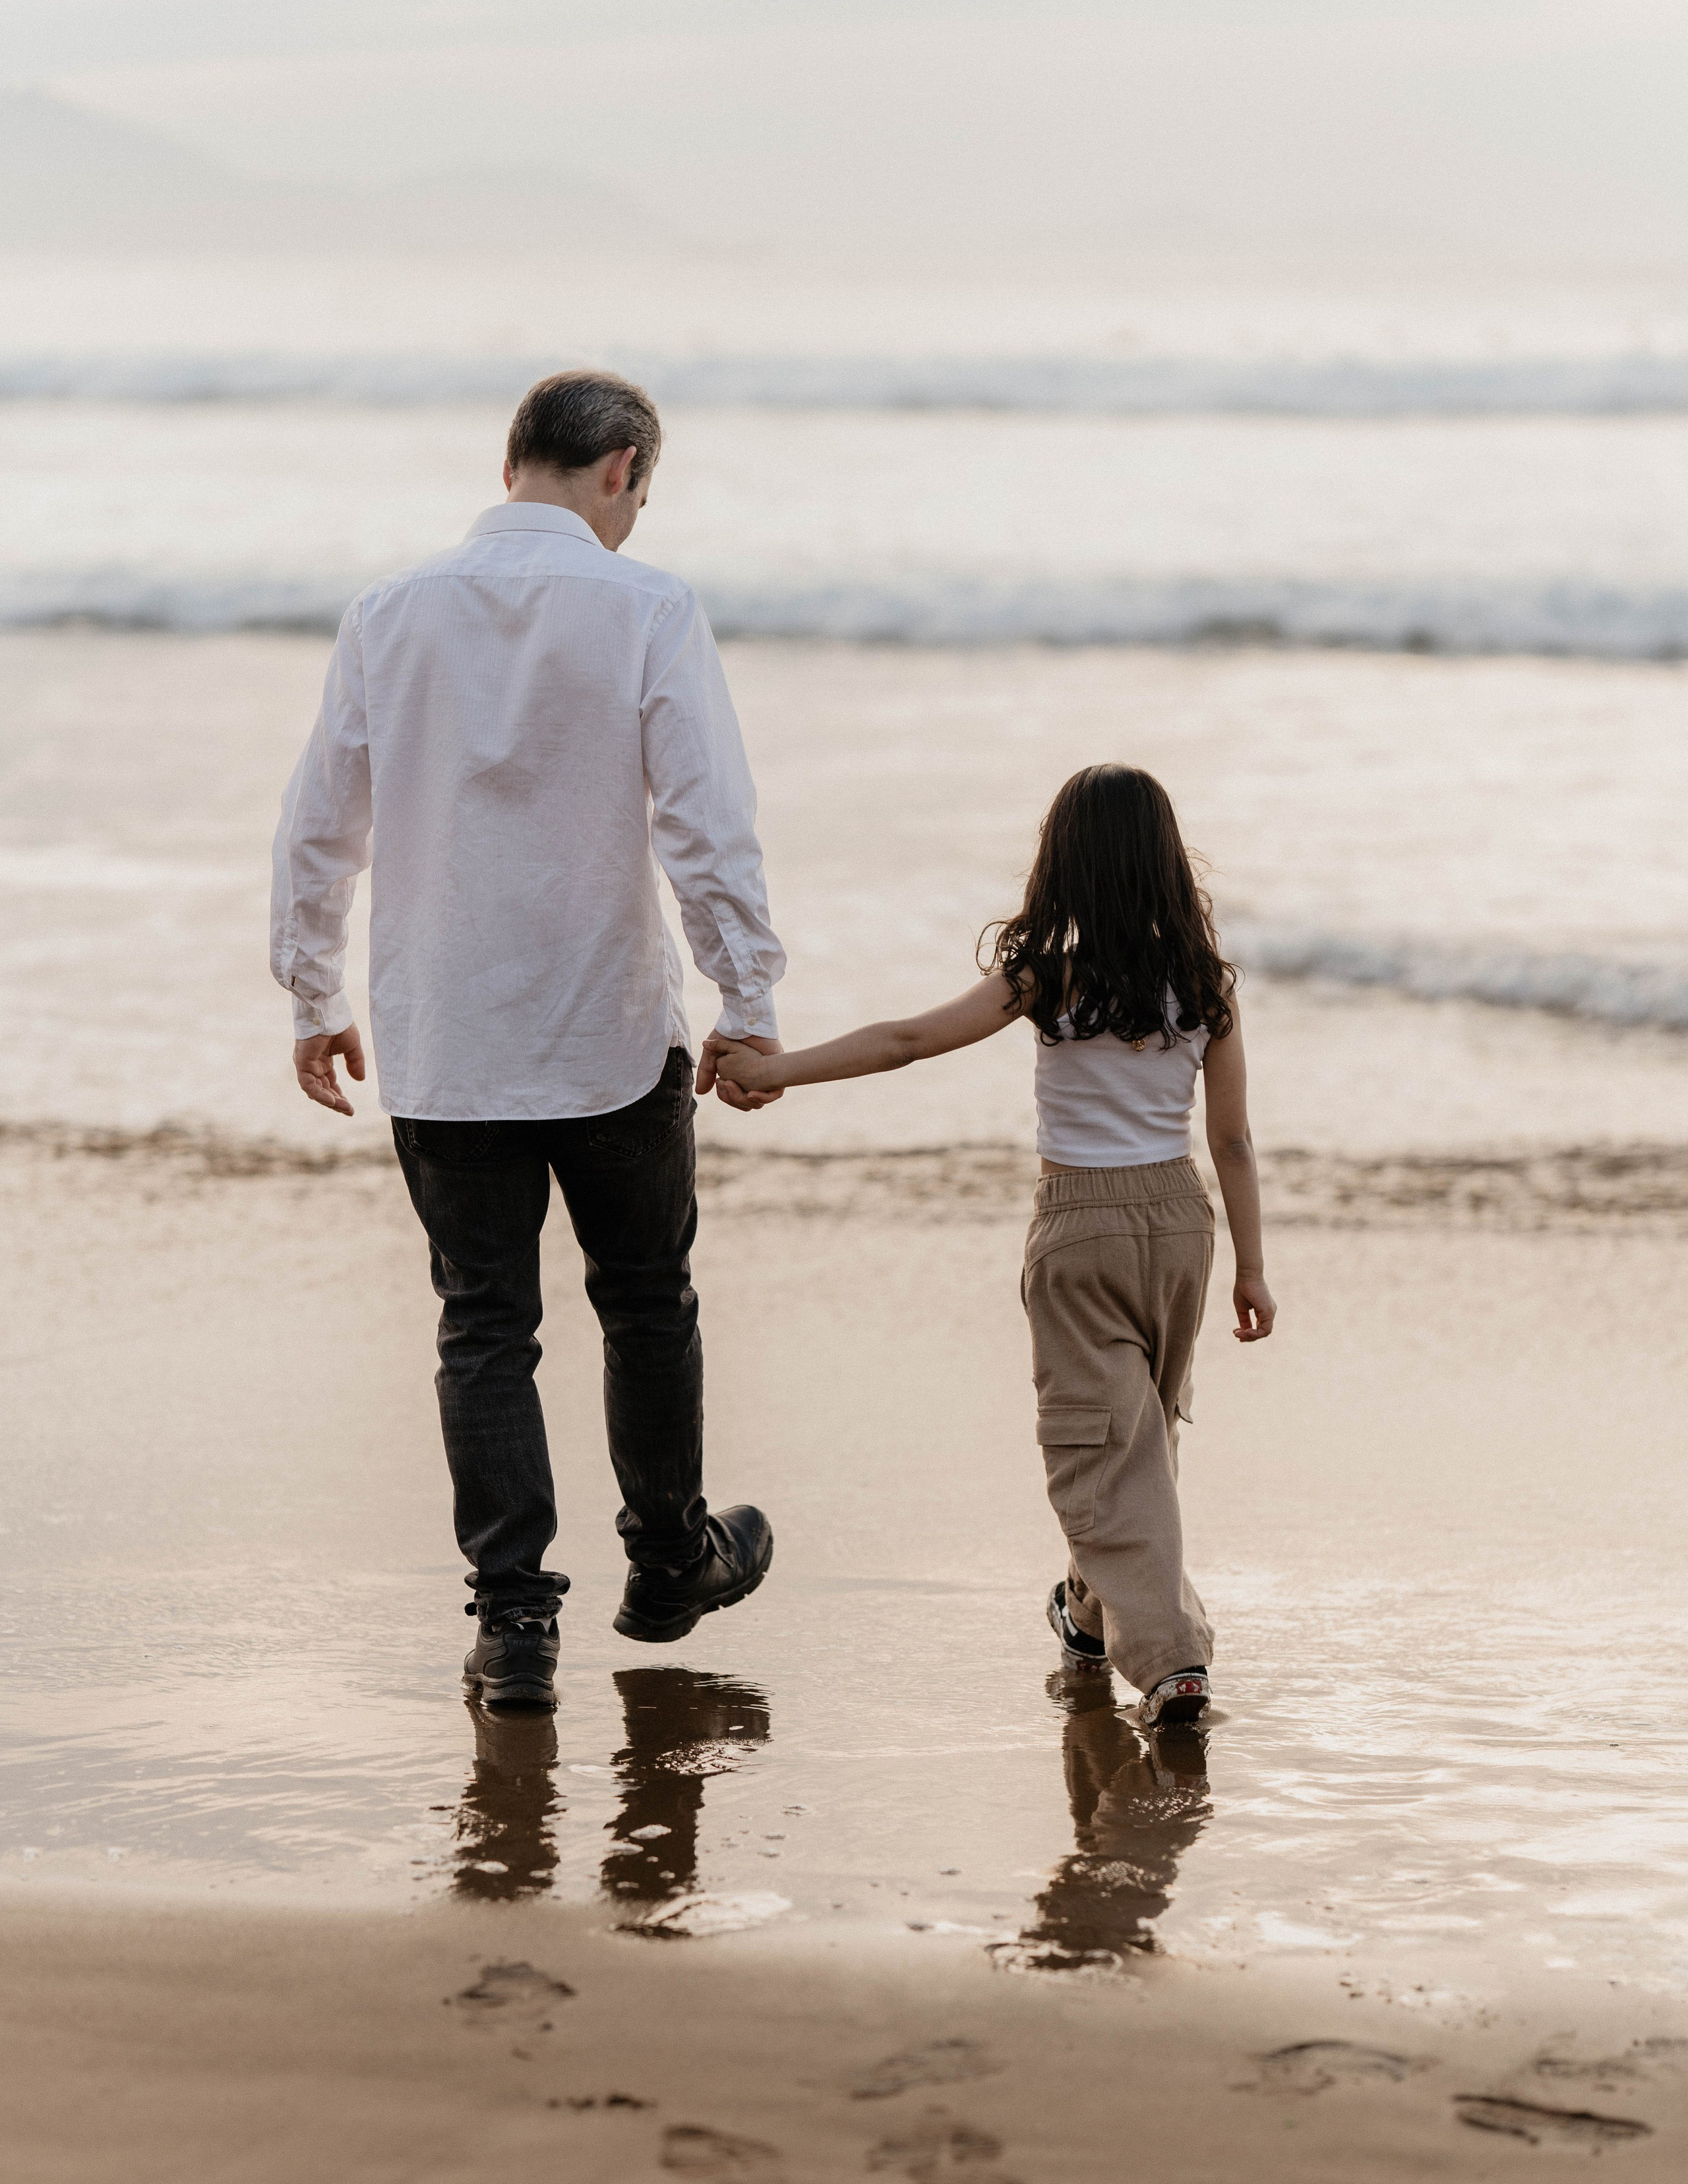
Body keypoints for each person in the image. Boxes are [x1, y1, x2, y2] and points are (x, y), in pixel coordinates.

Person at [271, 369, 786, 1711]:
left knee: (482, 1327)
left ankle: (512, 1625)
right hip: (604, 1024)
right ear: (619, 469)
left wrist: (310, 989)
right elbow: (705, 823)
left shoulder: (389, 614)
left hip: (443, 1033)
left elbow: (321, 819)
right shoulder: (647, 606)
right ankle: (670, 1563)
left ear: (515, 468)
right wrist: (749, 1000)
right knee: (644, 1298)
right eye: (639, 491)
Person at [712, 763, 1275, 1726]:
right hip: (1185, 1225)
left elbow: (906, 1041)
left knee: (1099, 1444)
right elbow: (1231, 1138)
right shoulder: (1203, 985)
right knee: (1140, 1433)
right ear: (1165, 865)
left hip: (1080, 1227)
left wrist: (781, 1071)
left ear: (1064, 867)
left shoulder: (1045, 980)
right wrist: (1253, 1268)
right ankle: (1092, 1619)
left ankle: (1174, 1658)